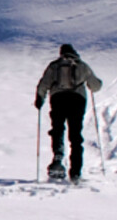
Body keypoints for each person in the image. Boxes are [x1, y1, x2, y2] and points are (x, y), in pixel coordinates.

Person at [34, 43, 102, 181]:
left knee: (58, 128)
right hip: (77, 100)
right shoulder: (82, 65)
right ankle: (75, 172)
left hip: (58, 99)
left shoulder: (54, 66)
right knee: (75, 136)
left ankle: (58, 153)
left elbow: (44, 84)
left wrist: (39, 99)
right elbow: (95, 86)